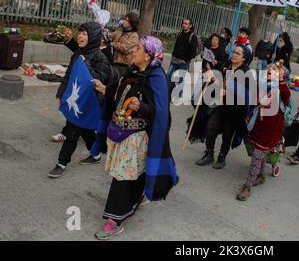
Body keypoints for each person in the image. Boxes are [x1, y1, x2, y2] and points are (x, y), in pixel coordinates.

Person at [94, 36, 178, 240]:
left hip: (137, 138)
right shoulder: (132, 71)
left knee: (122, 177)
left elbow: (161, 113)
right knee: (133, 174)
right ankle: (138, 196)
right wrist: (104, 89)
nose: (133, 50)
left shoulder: (157, 77)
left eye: (138, 48)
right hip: (120, 133)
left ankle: (114, 220)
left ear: (149, 55)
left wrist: (141, 107)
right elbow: (119, 94)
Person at [47, 21, 112, 178]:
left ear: (94, 37)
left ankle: (61, 163)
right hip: (75, 99)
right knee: (85, 129)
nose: (80, 36)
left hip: (90, 102)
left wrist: (86, 64)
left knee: (73, 130)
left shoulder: (101, 58)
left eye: (85, 34)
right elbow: (69, 75)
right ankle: (96, 154)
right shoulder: (77, 53)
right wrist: (60, 93)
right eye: (80, 33)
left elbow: (101, 78)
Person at [237, 62, 291, 201]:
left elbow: (287, 95)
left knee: (257, 155)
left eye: (275, 69)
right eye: (269, 68)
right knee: (258, 152)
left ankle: (247, 186)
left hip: (271, 130)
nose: (270, 69)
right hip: (258, 126)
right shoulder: (261, 85)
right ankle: (260, 175)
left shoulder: (281, 88)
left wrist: (280, 79)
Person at [195, 44, 252, 169]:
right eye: (234, 52)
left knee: (227, 134)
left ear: (244, 58)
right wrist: (209, 77)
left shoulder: (246, 72)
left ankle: (222, 156)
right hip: (219, 105)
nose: (234, 54)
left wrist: (228, 91)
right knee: (211, 127)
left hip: (234, 110)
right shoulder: (226, 65)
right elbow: (217, 79)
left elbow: (245, 93)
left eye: (238, 53)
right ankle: (209, 153)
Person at [167, 18, 199, 97]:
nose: (184, 25)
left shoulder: (193, 36)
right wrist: (173, 54)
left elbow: (193, 52)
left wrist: (186, 59)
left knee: (181, 79)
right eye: (183, 23)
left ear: (190, 26)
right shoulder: (180, 34)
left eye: (186, 24)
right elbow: (176, 45)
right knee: (169, 76)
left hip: (184, 62)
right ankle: (170, 91)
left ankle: (179, 93)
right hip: (174, 59)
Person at [111, 11, 140, 77]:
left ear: (132, 23)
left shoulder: (134, 36)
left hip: (122, 64)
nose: (124, 21)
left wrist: (112, 44)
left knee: (114, 80)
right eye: (124, 19)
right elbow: (111, 35)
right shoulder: (120, 30)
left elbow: (124, 48)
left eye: (127, 20)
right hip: (113, 60)